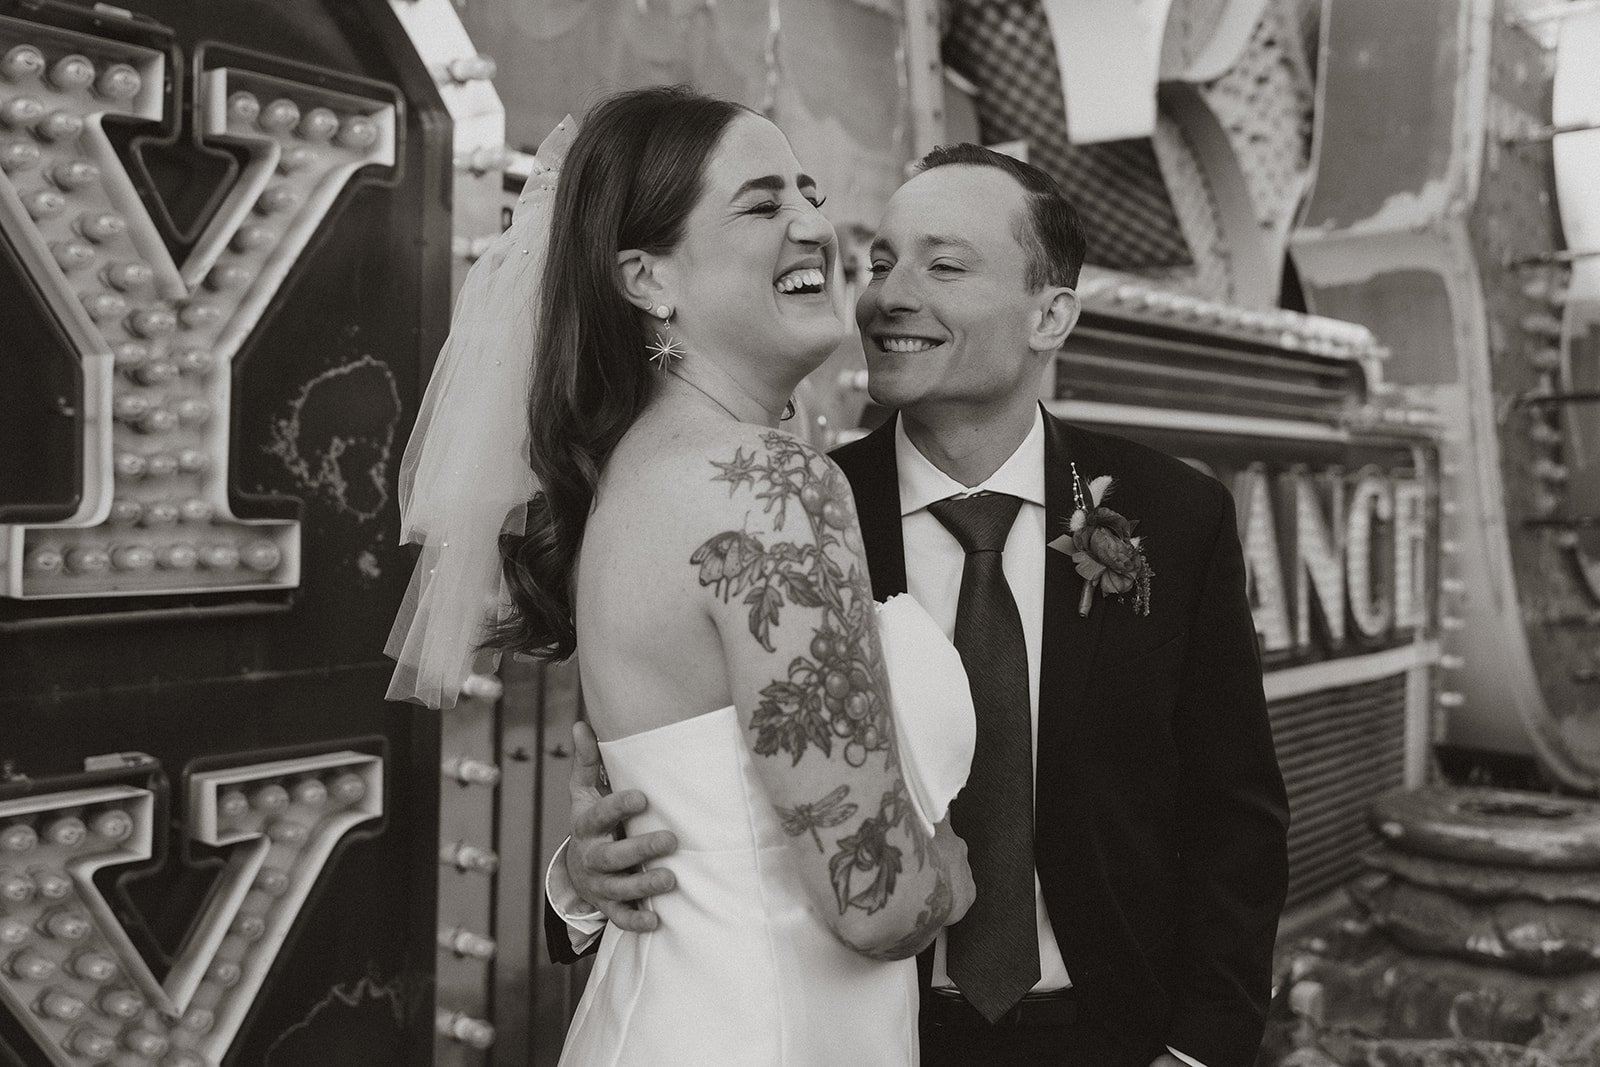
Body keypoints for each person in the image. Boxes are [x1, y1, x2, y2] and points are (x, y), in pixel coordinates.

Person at [549, 142, 1291, 1067]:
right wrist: (579, 878)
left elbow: (1235, 815)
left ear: (1049, 313)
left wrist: (1201, 1051)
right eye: (882, 260)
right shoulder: (785, 508)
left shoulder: (1176, 517)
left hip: (1109, 1036)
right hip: (868, 1029)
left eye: (944, 265)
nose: (889, 294)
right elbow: (670, 767)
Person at [388, 86, 979, 1066]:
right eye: (761, 204)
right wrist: (952, 872)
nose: (815, 226)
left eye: (812, 192)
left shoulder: (632, 474)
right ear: (646, 275)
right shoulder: (766, 485)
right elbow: (875, 904)